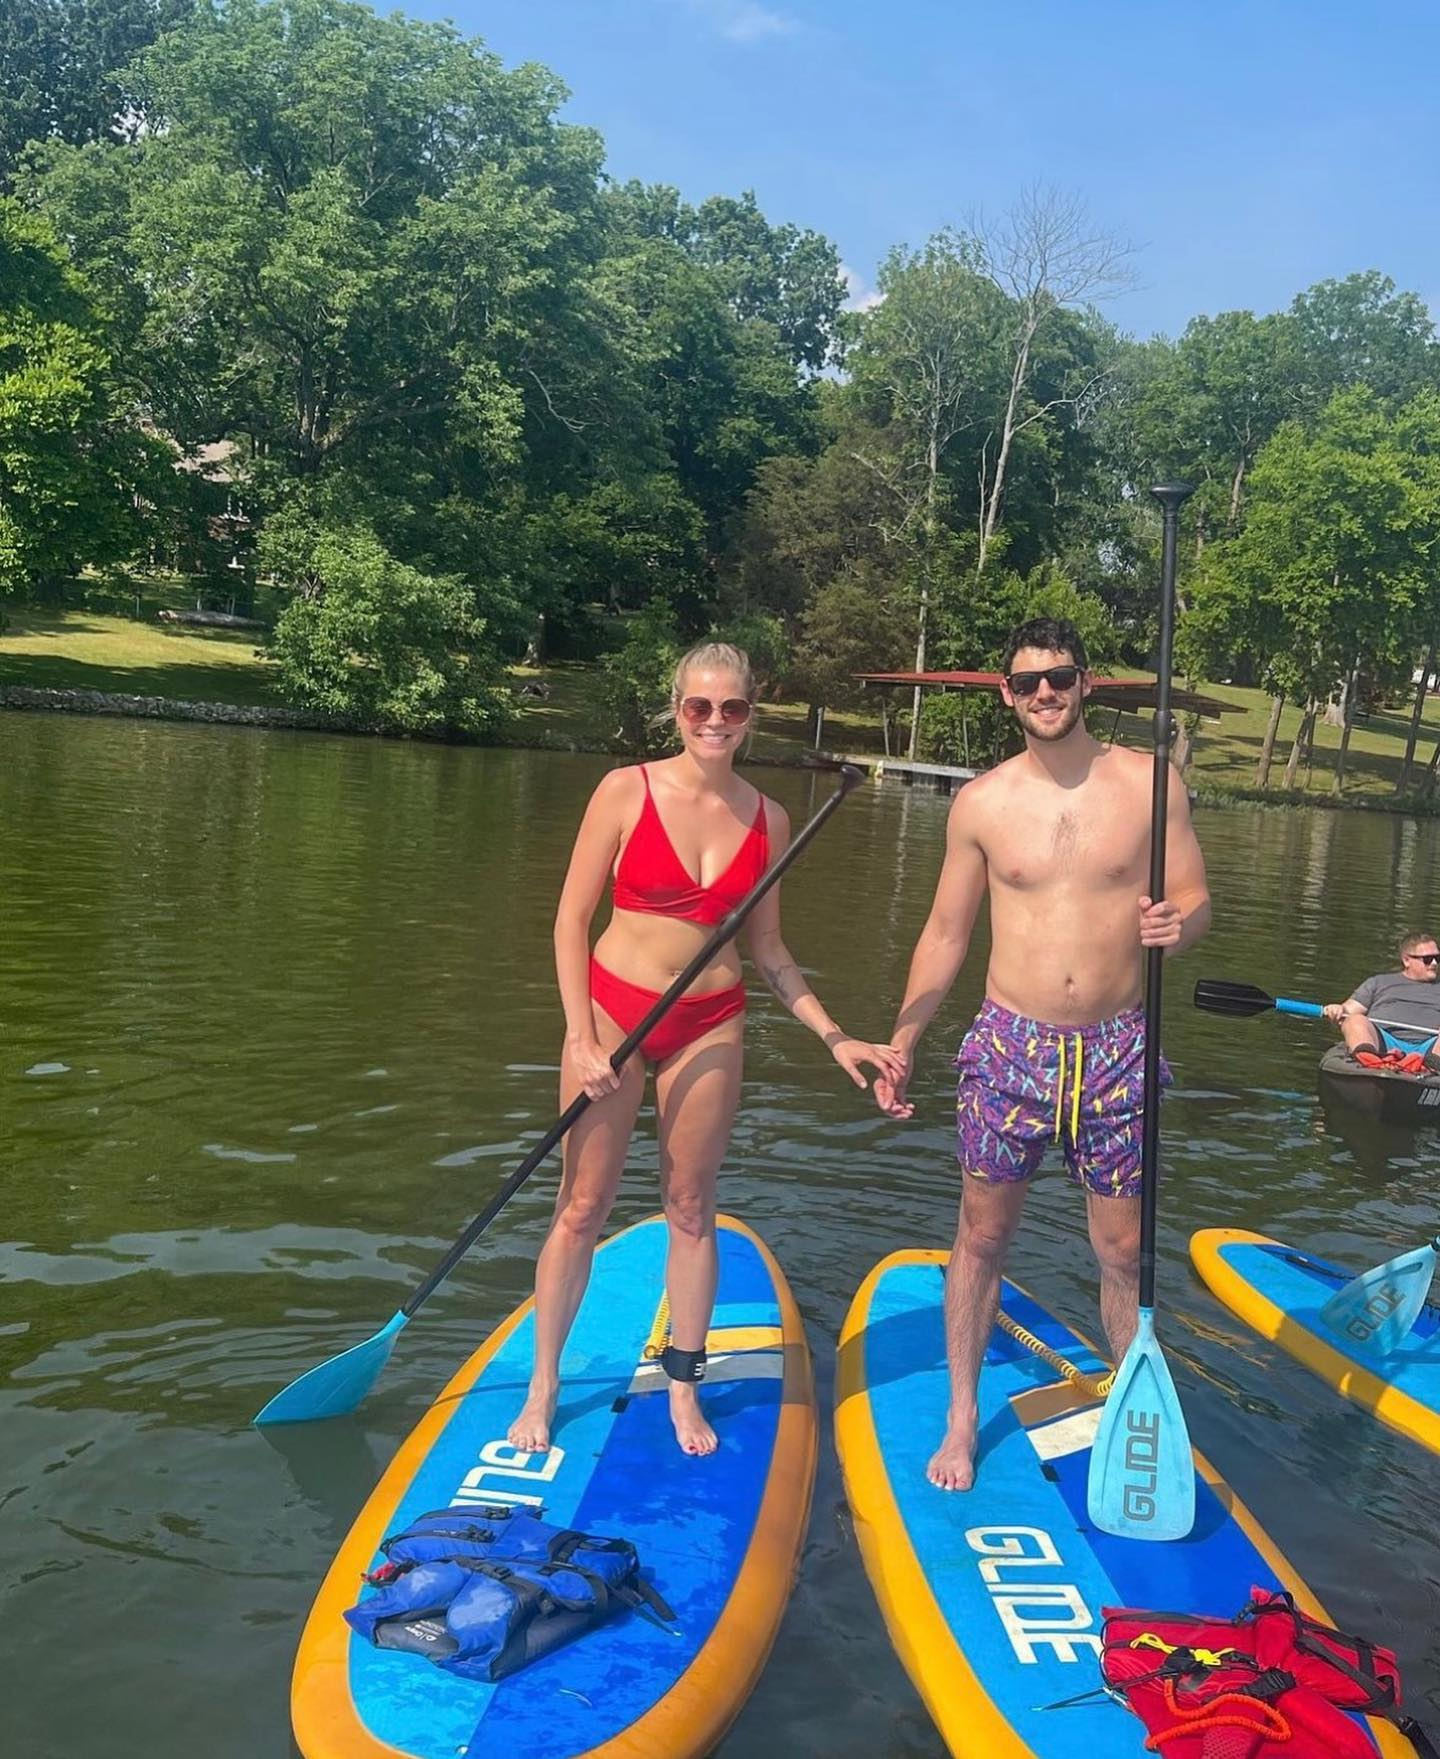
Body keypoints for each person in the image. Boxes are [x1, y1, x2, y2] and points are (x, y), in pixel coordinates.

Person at [508, 641, 903, 1459]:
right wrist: (581, 1036)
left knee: (691, 1208)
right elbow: (567, 922)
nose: (715, 722)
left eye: (732, 708)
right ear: (676, 708)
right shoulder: (625, 790)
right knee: (582, 1205)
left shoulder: (771, 818)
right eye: (699, 707)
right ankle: (544, 1384)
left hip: (711, 1018)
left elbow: (772, 952)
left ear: (751, 713)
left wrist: (835, 1036)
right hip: (614, 1017)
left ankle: (683, 1384)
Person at [873, 616, 1211, 1491]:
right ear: (1007, 695)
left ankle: (1132, 1410)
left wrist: (1180, 924)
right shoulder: (982, 802)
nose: (1046, 693)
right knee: (983, 1234)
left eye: (1060, 676)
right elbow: (946, 932)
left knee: (1124, 1248)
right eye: (1028, 682)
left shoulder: (1150, 784)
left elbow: (1198, 898)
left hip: (1119, 1047)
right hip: (1010, 1046)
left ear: (1086, 682)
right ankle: (959, 1414)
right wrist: (904, 1038)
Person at [1323, 933, 1440, 1064]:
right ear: (1406, 960)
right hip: (1382, 1042)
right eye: (1428, 959)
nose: (1434, 963)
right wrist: (1337, 1009)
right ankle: (1369, 1061)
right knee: (1354, 1019)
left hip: (1429, 1047)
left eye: (1437, 958)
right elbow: (1348, 1011)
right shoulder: (1379, 982)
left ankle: (1432, 1068)